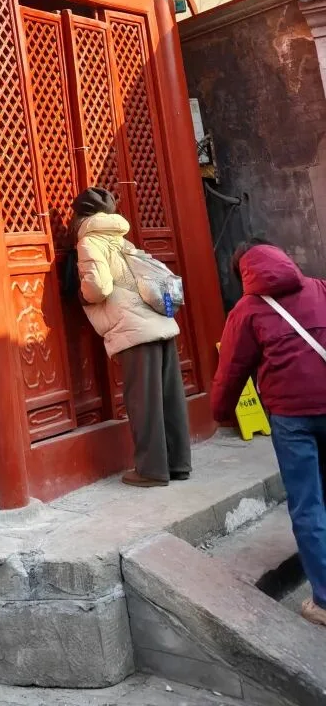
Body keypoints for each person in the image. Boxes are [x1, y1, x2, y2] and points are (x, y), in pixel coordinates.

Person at [212, 238, 326, 630]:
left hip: (291, 419)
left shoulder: (246, 311)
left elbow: (231, 372)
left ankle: (325, 600)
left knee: (307, 504)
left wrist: (221, 415)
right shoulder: (320, 288)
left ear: (242, 272)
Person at [74, 185, 191, 487]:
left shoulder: (89, 241)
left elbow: (99, 287)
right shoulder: (121, 239)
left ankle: (151, 471)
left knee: (143, 402)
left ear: (81, 215)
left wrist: (82, 296)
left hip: (134, 330)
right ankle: (178, 464)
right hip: (160, 323)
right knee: (170, 398)